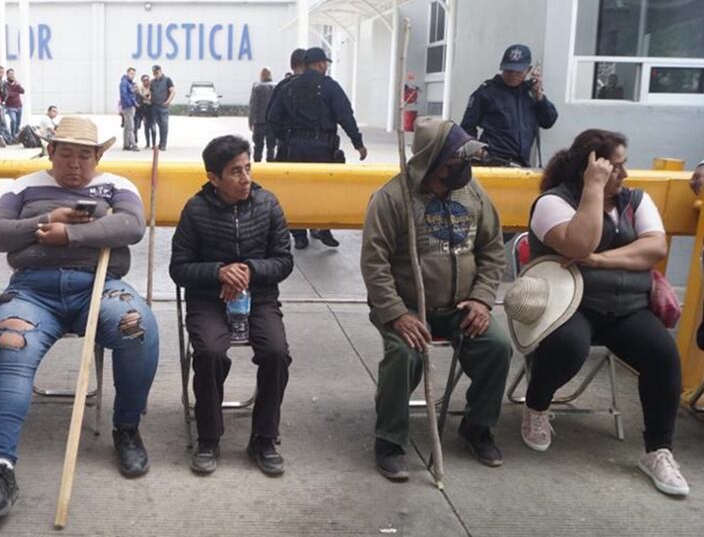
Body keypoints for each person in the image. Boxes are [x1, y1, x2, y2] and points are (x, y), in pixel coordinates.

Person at [0, 116, 158, 522]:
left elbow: (130, 226)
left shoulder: (116, 185)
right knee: (10, 342)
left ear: (97, 157)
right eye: (67, 154)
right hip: (33, 289)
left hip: (100, 283)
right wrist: (47, 220)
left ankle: (126, 429)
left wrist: (71, 236)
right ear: (51, 152)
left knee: (137, 327)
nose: (75, 164)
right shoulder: (24, 185)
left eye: (85, 156)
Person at [515, 128, 688, 496]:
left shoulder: (636, 201)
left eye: (625, 166)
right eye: (616, 167)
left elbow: (653, 248)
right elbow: (580, 241)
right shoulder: (553, 202)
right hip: (569, 306)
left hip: (627, 308)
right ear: (591, 168)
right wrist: (593, 191)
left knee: (664, 357)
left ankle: (658, 450)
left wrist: (598, 261)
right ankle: (537, 407)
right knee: (568, 347)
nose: (625, 176)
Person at [361, 118, 510, 480]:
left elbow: (492, 251)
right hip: (407, 308)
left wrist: (482, 299)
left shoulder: (474, 193)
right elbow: (374, 264)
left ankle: (477, 426)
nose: (464, 167)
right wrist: (397, 314)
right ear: (433, 162)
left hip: (463, 307)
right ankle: (390, 440)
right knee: (403, 353)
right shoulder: (392, 199)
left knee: (498, 347)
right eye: (455, 161)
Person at [170, 135, 293, 476]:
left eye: (248, 168)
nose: (245, 178)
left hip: (259, 297)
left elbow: (284, 261)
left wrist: (249, 271)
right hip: (209, 298)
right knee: (209, 352)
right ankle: (209, 437)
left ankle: (264, 437)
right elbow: (179, 268)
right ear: (214, 178)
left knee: (276, 353)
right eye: (235, 172)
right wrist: (218, 272)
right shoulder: (196, 209)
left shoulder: (268, 204)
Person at [268, 47, 367, 249]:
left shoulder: (289, 87)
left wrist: (285, 139)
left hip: (294, 148)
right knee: (323, 188)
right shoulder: (329, 86)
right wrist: (358, 143)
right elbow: (345, 116)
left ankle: (299, 234)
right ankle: (322, 226)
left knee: (296, 190)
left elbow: (272, 118)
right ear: (321, 64)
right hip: (323, 148)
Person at [461, 44, 558, 167]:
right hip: (492, 163)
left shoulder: (531, 93)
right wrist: (478, 151)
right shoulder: (487, 92)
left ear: (528, 70)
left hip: (522, 165)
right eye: (509, 70)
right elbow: (466, 127)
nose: (513, 75)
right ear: (502, 68)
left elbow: (548, 121)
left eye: (518, 72)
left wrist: (539, 96)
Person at [248, 68, 275, 162]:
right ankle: (270, 166)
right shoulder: (275, 87)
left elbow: (253, 106)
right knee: (271, 147)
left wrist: (250, 122)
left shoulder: (257, 87)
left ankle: (257, 166)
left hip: (259, 122)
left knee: (258, 147)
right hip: (272, 122)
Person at [149, 65, 175, 151]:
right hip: (154, 106)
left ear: (160, 71)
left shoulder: (167, 80)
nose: (155, 74)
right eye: (154, 73)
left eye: (157, 72)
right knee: (159, 126)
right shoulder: (152, 82)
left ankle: (163, 144)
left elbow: (173, 91)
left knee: (164, 125)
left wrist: (168, 101)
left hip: (163, 107)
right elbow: (151, 93)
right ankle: (160, 143)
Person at [119, 67, 140, 151]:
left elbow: (131, 95)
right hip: (128, 107)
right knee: (131, 126)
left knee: (127, 126)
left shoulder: (129, 83)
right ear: (127, 73)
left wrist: (135, 103)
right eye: (131, 73)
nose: (132, 75)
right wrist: (131, 104)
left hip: (130, 106)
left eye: (134, 74)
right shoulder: (124, 83)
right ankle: (134, 145)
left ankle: (126, 144)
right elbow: (124, 95)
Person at [4, 68, 25, 137]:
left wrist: (18, 85)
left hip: (19, 106)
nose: (12, 75)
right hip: (10, 106)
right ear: (7, 75)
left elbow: (22, 91)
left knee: (18, 123)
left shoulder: (17, 84)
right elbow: (9, 94)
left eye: (13, 74)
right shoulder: (5, 84)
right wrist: (16, 93)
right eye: (10, 74)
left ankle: (16, 135)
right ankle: (12, 136)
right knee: (13, 120)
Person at [136, 74, 155, 149]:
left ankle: (154, 144)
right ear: (142, 81)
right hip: (144, 109)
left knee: (153, 127)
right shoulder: (140, 88)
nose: (146, 81)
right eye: (144, 80)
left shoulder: (152, 87)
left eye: (147, 80)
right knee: (146, 126)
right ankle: (147, 144)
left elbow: (154, 96)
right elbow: (140, 98)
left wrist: (148, 98)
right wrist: (145, 98)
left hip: (152, 109)